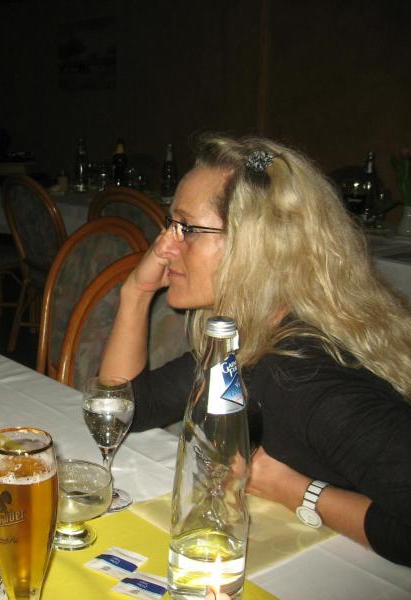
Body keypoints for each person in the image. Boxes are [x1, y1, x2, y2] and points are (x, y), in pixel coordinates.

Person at [100, 134, 411, 566]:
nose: (163, 247)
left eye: (187, 228)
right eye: (170, 224)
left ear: (256, 245)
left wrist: (296, 490)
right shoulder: (249, 342)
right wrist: (135, 293)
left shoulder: (303, 377)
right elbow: (126, 409)